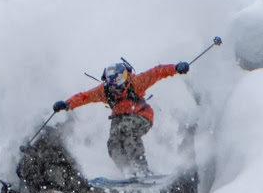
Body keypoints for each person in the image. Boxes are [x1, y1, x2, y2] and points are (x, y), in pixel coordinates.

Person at [53, 58, 189, 175]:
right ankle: (127, 170)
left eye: (121, 81)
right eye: (115, 84)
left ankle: (140, 167)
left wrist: (176, 68)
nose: (119, 87)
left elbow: (157, 72)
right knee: (114, 143)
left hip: (141, 115)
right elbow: (85, 97)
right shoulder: (104, 92)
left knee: (127, 130)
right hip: (119, 118)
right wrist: (67, 104)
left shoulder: (136, 82)